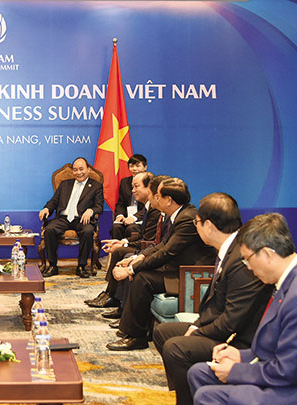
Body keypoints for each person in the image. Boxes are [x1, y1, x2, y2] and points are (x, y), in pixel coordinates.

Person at [153, 193, 271, 405]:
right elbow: (215, 305)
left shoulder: (241, 258)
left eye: (196, 222)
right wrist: (197, 325)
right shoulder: (229, 250)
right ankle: (187, 391)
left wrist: (198, 331)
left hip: (238, 337)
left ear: (208, 225)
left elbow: (233, 319)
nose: (196, 227)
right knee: (163, 332)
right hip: (220, 325)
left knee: (176, 348)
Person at [187, 213, 297, 405]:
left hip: (287, 388)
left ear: (267, 254)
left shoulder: (294, 297)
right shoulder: (285, 282)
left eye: (247, 259)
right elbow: (273, 351)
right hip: (275, 371)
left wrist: (235, 371)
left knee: (206, 396)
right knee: (199, 373)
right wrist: (239, 355)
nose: (248, 268)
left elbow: (287, 371)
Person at [106, 177, 216, 351]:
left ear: (169, 200)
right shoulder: (178, 215)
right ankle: (133, 329)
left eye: (158, 195)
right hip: (177, 268)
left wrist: (131, 269)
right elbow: (162, 245)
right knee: (141, 272)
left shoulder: (186, 219)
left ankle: (136, 336)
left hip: (190, 276)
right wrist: (137, 258)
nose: (155, 198)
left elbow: (167, 252)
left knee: (143, 278)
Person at [86, 172, 161, 310]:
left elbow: (148, 240)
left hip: (149, 249)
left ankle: (113, 296)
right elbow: (142, 235)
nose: (133, 191)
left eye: (136, 186)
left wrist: (125, 244)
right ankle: (110, 293)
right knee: (120, 248)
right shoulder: (147, 207)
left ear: (149, 188)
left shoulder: (155, 210)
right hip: (145, 245)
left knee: (121, 252)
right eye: (132, 187)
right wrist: (123, 241)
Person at [39, 157, 104, 278]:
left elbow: (99, 206)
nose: (78, 172)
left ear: (88, 169)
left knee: (87, 231)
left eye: (81, 169)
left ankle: (82, 266)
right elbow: (54, 201)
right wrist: (47, 208)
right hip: (63, 218)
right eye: (75, 170)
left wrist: (91, 210)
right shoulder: (65, 184)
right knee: (49, 230)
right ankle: (52, 266)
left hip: (82, 219)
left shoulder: (96, 186)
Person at [110, 154, 148, 240]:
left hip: (142, 219)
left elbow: (150, 205)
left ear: (145, 167)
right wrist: (119, 215)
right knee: (116, 227)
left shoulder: (150, 182)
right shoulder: (124, 182)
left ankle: (129, 248)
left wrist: (134, 217)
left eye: (138, 166)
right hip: (126, 218)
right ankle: (115, 248)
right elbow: (121, 203)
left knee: (131, 228)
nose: (134, 169)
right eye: (131, 166)